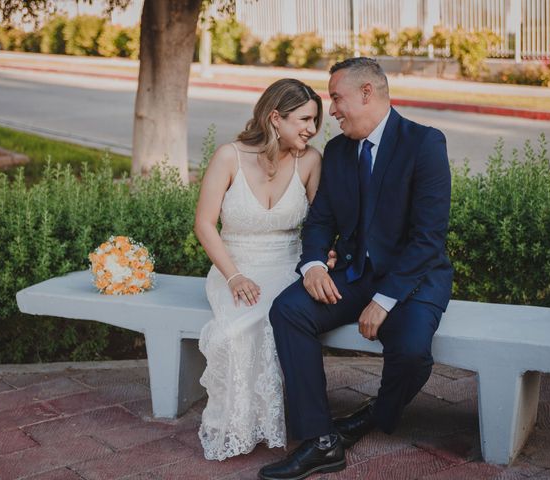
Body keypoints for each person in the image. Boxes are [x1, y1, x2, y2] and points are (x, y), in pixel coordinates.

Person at [258, 58, 453, 480]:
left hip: (413, 280)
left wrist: (385, 301)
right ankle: (320, 441)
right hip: (352, 274)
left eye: (336, 98)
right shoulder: (339, 150)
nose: (333, 111)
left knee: (413, 352)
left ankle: (369, 417)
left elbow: (428, 239)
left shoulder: (424, 144)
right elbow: (321, 220)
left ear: (367, 93)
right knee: (288, 310)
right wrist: (312, 264)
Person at [194, 79, 326, 461]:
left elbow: (320, 224)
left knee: (282, 317)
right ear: (274, 117)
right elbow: (205, 224)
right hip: (235, 268)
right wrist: (234, 276)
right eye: (304, 119)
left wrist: (324, 257)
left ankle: (285, 420)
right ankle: (238, 426)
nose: (312, 129)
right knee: (236, 328)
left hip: (288, 267)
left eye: (315, 120)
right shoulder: (228, 157)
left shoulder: (311, 160)